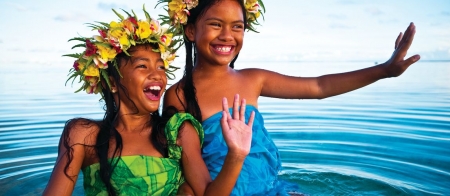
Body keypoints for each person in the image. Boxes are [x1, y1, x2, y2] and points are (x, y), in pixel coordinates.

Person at [160, 0, 421, 195]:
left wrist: (383, 70)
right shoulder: (179, 95)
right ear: (191, 30)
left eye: (237, 27)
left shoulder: (253, 79)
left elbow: (319, 87)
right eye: (216, 24)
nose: (227, 35)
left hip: (274, 188)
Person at [43, 7, 255, 196]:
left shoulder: (178, 132)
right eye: (143, 66)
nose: (158, 75)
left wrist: (236, 154)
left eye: (161, 67)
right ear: (112, 83)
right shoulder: (83, 135)